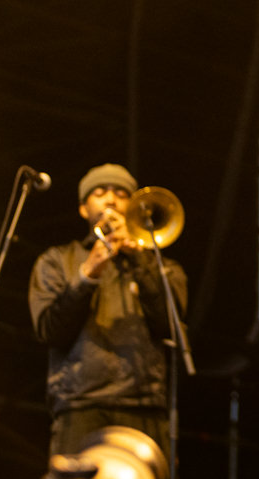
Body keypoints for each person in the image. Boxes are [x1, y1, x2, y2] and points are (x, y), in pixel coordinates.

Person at [28, 163, 188, 461]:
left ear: (134, 205)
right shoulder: (57, 260)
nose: (111, 200)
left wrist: (140, 260)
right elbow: (50, 331)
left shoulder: (161, 267)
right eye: (100, 193)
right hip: (80, 405)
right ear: (83, 209)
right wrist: (87, 274)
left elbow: (172, 328)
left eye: (121, 193)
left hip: (145, 406)